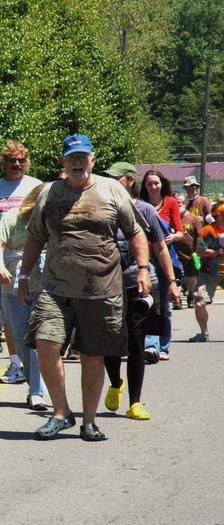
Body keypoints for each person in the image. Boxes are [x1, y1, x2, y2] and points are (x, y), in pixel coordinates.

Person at [18, 135, 149, 442]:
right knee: (46, 343)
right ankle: (61, 412)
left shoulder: (112, 190)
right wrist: (23, 276)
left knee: (93, 354)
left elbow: (136, 232)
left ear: (92, 160)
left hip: (102, 288)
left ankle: (89, 422)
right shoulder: (49, 193)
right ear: (63, 162)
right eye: (71, 158)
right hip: (55, 286)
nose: (77, 162)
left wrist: (143, 268)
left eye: (83, 157)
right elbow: (36, 237)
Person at [99, 162, 180, 421]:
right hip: (106, 287)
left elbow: (160, 248)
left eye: (116, 179)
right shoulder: (103, 209)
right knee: (108, 342)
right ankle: (115, 382)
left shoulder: (144, 210)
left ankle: (135, 402)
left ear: (130, 181)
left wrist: (171, 281)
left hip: (139, 284)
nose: (110, 183)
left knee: (136, 343)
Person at [0, 142, 42, 365]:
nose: (16, 164)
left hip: (35, 262)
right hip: (1, 261)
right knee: (7, 316)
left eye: (21, 160)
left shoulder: (37, 187)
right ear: (4, 163)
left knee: (37, 315)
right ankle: (15, 363)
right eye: (11, 160)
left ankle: (37, 365)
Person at [0, 184, 49, 410]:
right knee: (23, 338)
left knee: (43, 338)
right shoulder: (14, 216)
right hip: (13, 283)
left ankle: (37, 391)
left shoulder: (53, 218)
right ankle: (36, 384)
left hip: (45, 283)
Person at [139, 170, 183, 362]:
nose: (153, 187)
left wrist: (172, 236)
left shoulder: (171, 203)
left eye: (156, 183)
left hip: (164, 257)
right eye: (149, 184)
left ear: (162, 184)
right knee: (147, 302)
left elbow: (180, 232)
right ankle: (150, 345)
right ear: (145, 186)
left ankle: (163, 346)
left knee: (163, 305)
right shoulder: (140, 204)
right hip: (145, 258)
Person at [189, 201, 224, 343]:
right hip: (209, 273)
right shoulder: (208, 230)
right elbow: (200, 251)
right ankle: (204, 333)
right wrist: (218, 251)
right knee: (199, 303)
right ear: (217, 215)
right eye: (222, 213)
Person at [175, 193, 204, 308]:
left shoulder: (193, 218)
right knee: (178, 276)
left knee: (191, 278)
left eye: (179, 203)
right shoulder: (174, 218)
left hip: (191, 254)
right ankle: (177, 300)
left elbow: (200, 236)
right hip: (177, 255)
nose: (177, 205)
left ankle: (190, 296)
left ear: (185, 204)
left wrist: (197, 251)